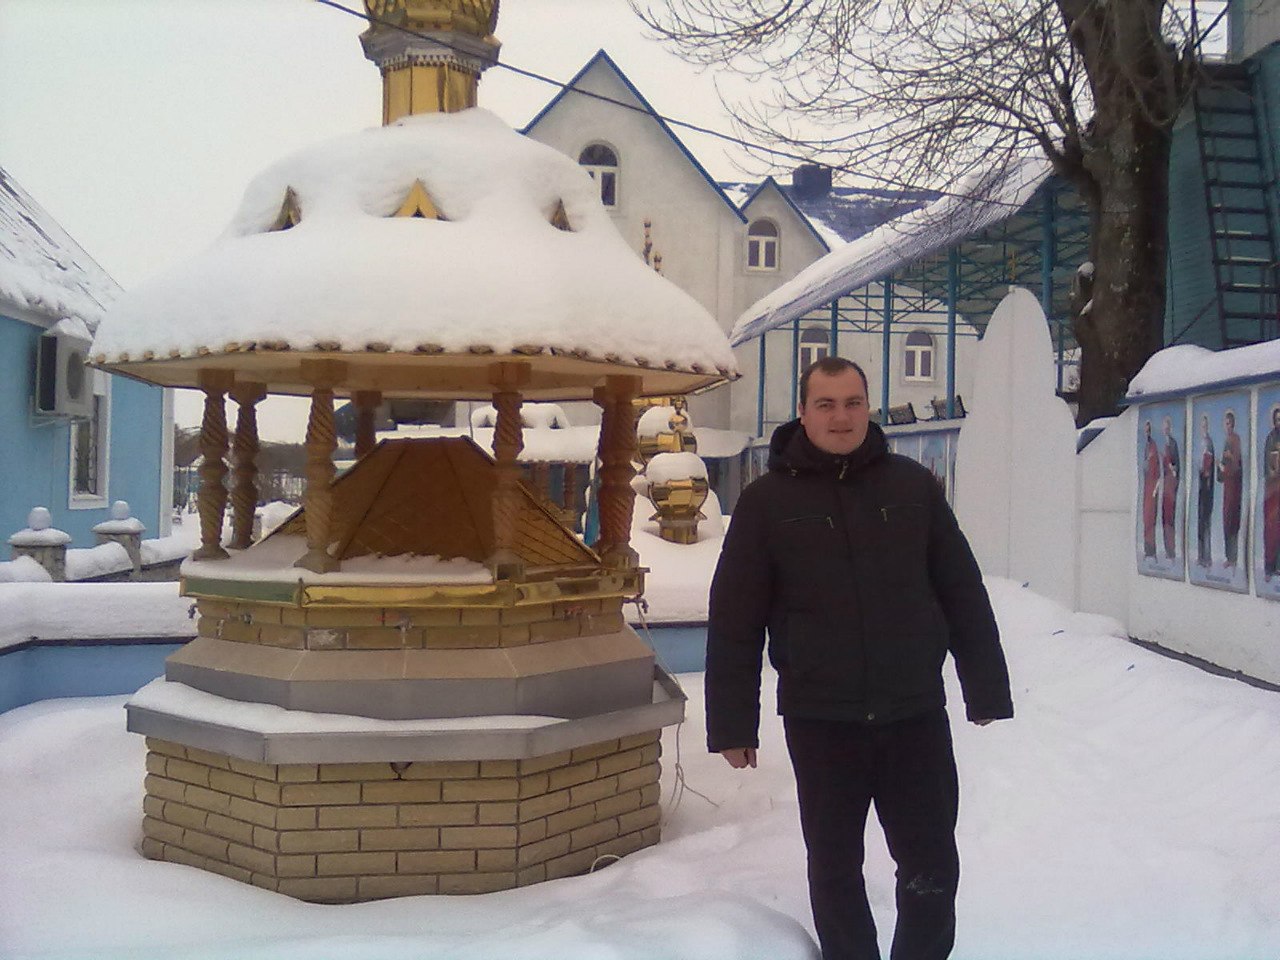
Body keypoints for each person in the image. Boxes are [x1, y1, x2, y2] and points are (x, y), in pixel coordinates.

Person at [706, 356, 1013, 960]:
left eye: (852, 403)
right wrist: (733, 724)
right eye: (826, 404)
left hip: (913, 713)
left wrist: (985, 688)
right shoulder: (766, 502)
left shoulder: (912, 487)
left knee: (930, 863)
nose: (841, 417)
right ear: (803, 412)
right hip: (822, 719)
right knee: (834, 865)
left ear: (868, 408)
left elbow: (961, 590)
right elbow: (735, 619)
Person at [1218, 409, 1243, 569]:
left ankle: (1234, 558)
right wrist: (1220, 468)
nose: (1227, 426)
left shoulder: (1236, 440)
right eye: (1225, 424)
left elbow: (1236, 465)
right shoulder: (1227, 441)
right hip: (1227, 489)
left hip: (1234, 489)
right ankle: (1229, 557)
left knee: (1233, 521)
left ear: (1232, 424)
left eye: (1229, 424)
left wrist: (1227, 464)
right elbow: (1223, 466)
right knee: (1226, 521)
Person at [1263, 404, 1280, 581]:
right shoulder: (1270, 438)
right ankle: (1269, 567)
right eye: (1277, 419)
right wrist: (1273, 470)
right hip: (1272, 490)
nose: (1279, 422)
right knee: (1271, 528)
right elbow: (1267, 466)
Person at [1160, 415, 1180, 560]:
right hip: (1165, 484)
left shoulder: (1173, 444)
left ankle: (1171, 550)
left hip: (1171, 485)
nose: (1166, 429)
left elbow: (1176, 465)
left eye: (1167, 427)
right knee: (1164, 517)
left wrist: (1173, 470)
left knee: (1170, 517)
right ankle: (1167, 549)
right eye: (1164, 427)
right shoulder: (1164, 444)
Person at [1196, 414, 1215, 568]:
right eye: (1201, 426)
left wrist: (1204, 469)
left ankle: (1206, 557)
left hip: (1207, 488)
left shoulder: (1208, 443)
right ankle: (1201, 556)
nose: (1203, 428)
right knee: (1201, 522)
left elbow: (1208, 466)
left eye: (1205, 426)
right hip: (1202, 487)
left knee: (1205, 522)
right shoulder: (1202, 442)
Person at [1141, 420, 1160, 559]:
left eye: (1148, 430)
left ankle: (1152, 550)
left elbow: (1156, 471)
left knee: (1151, 519)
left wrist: (1155, 490)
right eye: (1145, 430)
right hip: (1147, 487)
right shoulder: (1146, 447)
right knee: (1146, 519)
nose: (1146, 433)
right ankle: (1147, 549)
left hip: (1152, 488)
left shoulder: (1153, 447)